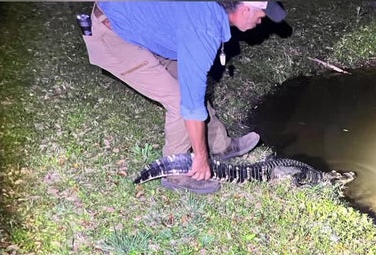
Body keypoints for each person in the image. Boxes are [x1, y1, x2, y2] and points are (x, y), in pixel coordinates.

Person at [82, 2, 287, 193]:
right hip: (115, 35)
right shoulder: (203, 30)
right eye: (262, 15)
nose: (262, 20)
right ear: (245, 10)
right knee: (182, 99)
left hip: (142, 26)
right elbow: (190, 106)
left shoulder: (209, 14)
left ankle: (220, 146)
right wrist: (201, 158)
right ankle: (176, 173)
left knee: (193, 86)